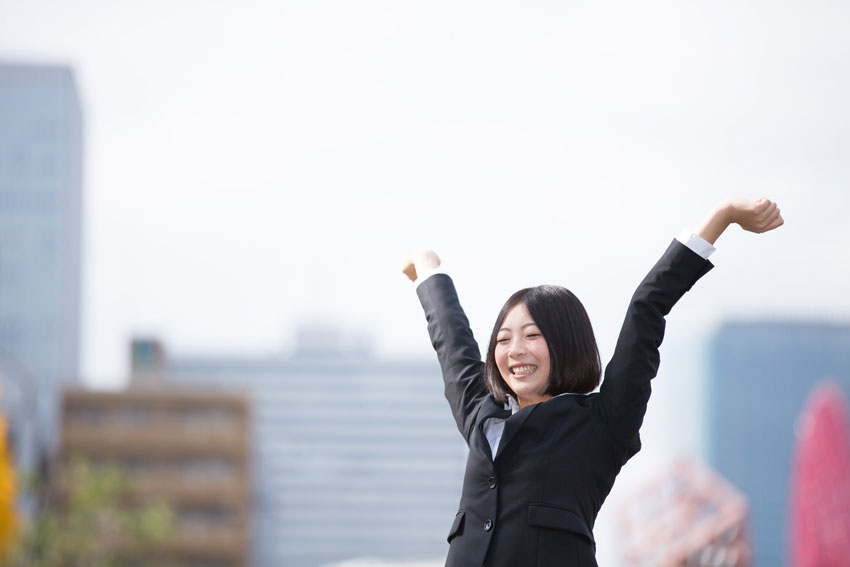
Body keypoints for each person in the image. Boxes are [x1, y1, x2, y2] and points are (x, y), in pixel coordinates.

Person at [401, 197, 783, 567]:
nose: (515, 349)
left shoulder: (602, 423)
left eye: (531, 335)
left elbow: (646, 309)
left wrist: (723, 216)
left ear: (566, 342)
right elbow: (452, 343)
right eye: (503, 339)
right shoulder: (482, 417)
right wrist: (429, 270)